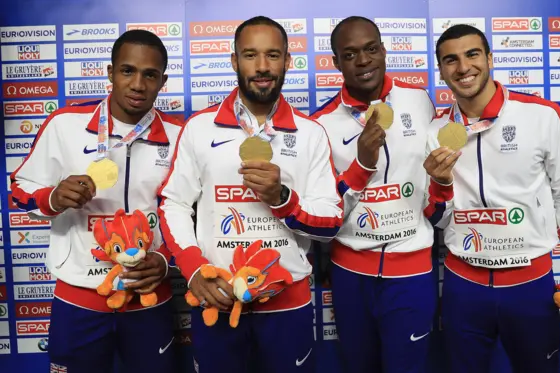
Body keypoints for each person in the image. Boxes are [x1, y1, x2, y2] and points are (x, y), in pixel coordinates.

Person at [157, 16, 344, 373]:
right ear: (234, 61)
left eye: (273, 55)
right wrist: (195, 270)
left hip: (286, 303)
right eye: (250, 55)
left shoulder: (310, 133)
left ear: (288, 61)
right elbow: (174, 204)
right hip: (217, 298)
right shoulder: (199, 128)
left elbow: (331, 222)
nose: (262, 67)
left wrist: (282, 198)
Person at [428, 24, 560, 373]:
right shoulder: (435, 131)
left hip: (530, 285)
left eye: (472, 54)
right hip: (464, 286)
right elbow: (436, 217)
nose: (463, 67)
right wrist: (441, 185)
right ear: (442, 70)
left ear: (490, 58)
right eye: (451, 60)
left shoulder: (542, 115)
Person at [10, 29, 181, 373]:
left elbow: (192, 216)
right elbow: (19, 190)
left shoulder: (180, 134)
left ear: (162, 81)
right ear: (110, 73)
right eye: (127, 71)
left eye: (150, 75)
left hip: (148, 293)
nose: (137, 84)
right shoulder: (64, 124)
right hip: (79, 296)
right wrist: (53, 197)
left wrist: (166, 261)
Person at [311, 16, 455, 373]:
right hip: (350, 274)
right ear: (335, 63)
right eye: (350, 54)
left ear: (384, 51)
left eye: (371, 49)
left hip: (412, 271)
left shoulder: (418, 100)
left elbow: (441, 171)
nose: (363, 61)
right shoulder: (321, 123)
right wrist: (362, 161)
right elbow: (323, 207)